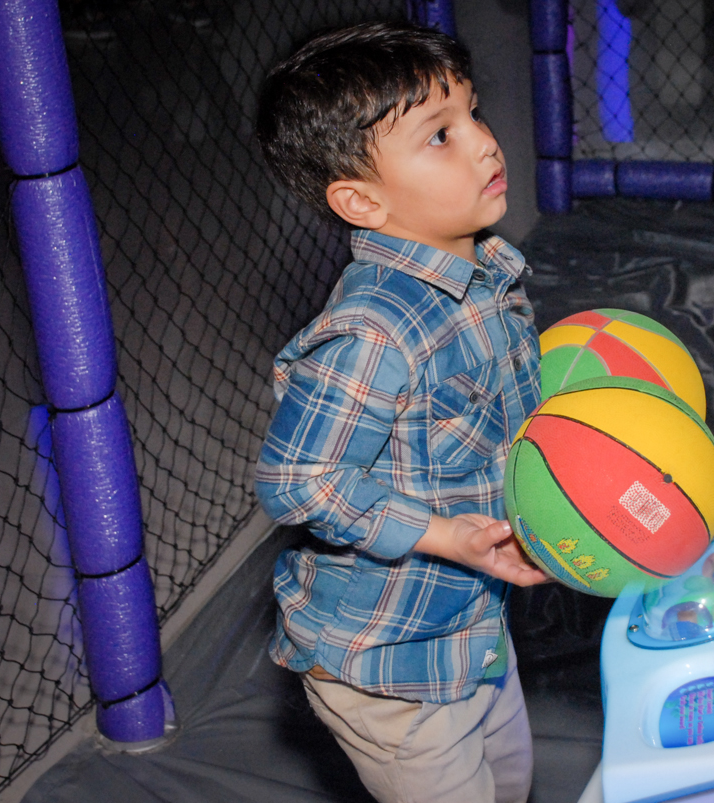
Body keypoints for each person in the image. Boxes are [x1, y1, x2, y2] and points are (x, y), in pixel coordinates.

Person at [254, 20, 547, 803]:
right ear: (361, 199)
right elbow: (299, 479)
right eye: (441, 136)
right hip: (389, 663)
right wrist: (447, 534)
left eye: (474, 114)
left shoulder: (488, 271)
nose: (486, 144)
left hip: (475, 623)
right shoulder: (376, 330)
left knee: (512, 779)